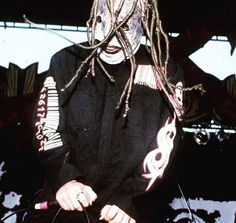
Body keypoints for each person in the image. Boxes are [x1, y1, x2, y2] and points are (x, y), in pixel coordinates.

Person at [25, 0, 184, 222]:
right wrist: (65, 180)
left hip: (126, 214)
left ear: (143, 22)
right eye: (101, 21)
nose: (110, 37)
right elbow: (46, 125)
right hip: (62, 205)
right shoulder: (66, 62)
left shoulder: (164, 74)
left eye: (124, 26)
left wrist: (130, 199)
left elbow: (165, 144)